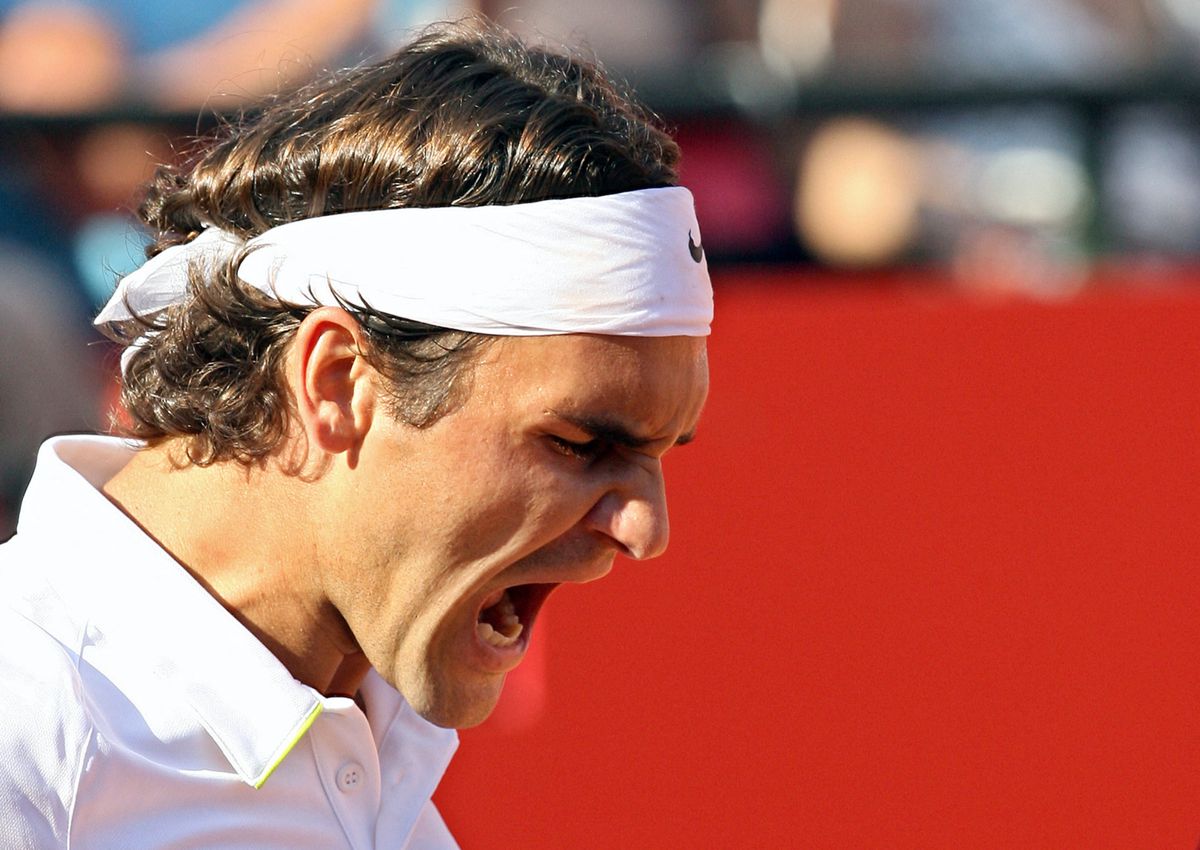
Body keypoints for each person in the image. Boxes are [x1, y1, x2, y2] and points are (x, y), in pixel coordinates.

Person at [0, 18, 711, 849]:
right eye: (580, 444)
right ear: (336, 382)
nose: (646, 530)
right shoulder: (27, 728)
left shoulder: (384, 759)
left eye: (659, 455)